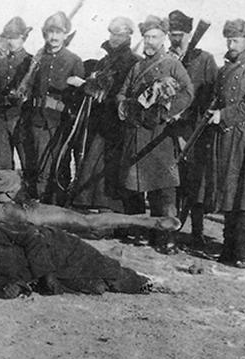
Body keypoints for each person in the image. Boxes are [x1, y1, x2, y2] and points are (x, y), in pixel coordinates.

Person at [0, 170, 181, 279]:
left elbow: (13, 180)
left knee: (87, 223)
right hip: (22, 237)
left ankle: (148, 221)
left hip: (27, 213)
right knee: (74, 248)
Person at [116, 15, 193, 254]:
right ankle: (138, 230)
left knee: (163, 187)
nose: (150, 41)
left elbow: (188, 92)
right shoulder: (137, 67)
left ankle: (165, 235)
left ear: (163, 38)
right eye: (147, 37)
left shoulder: (172, 64)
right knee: (134, 184)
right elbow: (121, 94)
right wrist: (128, 106)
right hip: (136, 131)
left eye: (155, 37)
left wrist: (166, 111)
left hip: (159, 135)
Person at [198, 19, 245, 267]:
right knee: (228, 192)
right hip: (225, 137)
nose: (231, 44)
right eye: (228, 39)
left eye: (236, 40)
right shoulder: (223, 71)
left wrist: (225, 115)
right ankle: (227, 249)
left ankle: (241, 252)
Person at [69, 16, 140, 212]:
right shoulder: (103, 62)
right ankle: (95, 211)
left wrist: (93, 89)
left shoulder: (134, 62)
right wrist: (86, 86)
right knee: (94, 166)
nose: (115, 38)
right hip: (99, 123)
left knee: (111, 171)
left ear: (128, 36)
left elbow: (126, 93)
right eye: (112, 33)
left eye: (120, 34)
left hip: (118, 125)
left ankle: (111, 216)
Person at [20, 11, 85, 202]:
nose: (54, 37)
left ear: (66, 35)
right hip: (36, 121)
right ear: (45, 34)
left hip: (60, 122)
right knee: (37, 165)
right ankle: (39, 208)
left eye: (59, 32)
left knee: (59, 165)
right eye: (50, 32)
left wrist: (78, 85)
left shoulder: (74, 60)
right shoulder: (38, 59)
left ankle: (58, 208)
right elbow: (28, 88)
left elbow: (80, 98)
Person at [167, 9, 218, 246]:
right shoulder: (167, 58)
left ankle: (197, 233)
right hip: (171, 129)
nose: (176, 39)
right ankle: (171, 228)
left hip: (196, 129)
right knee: (173, 182)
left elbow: (213, 94)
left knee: (195, 182)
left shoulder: (204, 59)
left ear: (189, 34)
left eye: (180, 34)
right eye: (172, 34)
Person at [0, 17, 33, 171]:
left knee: (27, 160)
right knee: (2, 163)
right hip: (2, 120)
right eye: (8, 37)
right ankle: (4, 194)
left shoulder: (31, 62)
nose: (10, 41)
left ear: (23, 38)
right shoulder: (1, 63)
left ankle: (30, 194)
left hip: (21, 120)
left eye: (14, 38)